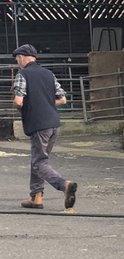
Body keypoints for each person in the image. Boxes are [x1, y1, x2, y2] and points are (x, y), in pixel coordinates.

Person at [13, 43, 76, 211]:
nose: (18, 62)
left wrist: (27, 106)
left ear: (24, 58)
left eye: (18, 58)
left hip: (38, 124)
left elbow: (19, 101)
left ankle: (64, 185)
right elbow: (62, 99)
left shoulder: (23, 74)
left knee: (39, 162)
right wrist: (46, 103)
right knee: (39, 160)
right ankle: (36, 197)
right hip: (54, 124)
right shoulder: (49, 74)